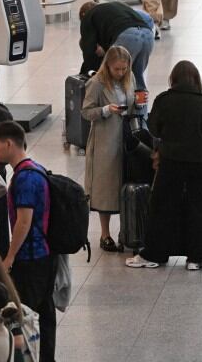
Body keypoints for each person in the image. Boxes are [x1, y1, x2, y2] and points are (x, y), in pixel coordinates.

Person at [125, 61, 202, 271]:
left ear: (173, 79)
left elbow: (153, 129)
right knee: (198, 208)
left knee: (162, 207)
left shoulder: (164, 101)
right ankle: (196, 257)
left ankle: (155, 254)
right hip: (200, 162)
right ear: (196, 80)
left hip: (171, 162)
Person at [0, 121, 54, 362]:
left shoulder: (25, 178)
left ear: (9, 144)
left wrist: (10, 256)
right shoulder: (35, 169)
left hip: (31, 257)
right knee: (45, 313)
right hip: (44, 253)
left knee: (27, 314)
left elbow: (23, 222)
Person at [80, 47, 138, 253]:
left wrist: (139, 103)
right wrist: (106, 110)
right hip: (105, 140)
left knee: (126, 182)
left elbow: (132, 105)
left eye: (124, 69)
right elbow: (86, 112)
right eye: (117, 69)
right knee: (106, 187)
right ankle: (105, 234)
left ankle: (127, 231)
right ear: (108, 66)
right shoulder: (96, 83)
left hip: (126, 135)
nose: (121, 73)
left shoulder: (130, 78)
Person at [78, 0, 154, 92]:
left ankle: (116, 106)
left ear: (83, 14)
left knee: (111, 81)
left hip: (128, 36)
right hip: (148, 35)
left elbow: (89, 52)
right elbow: (148, 19)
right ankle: (141, 106)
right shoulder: (115, 7)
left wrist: (85, 75)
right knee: (137, 81)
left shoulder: (88, 16)